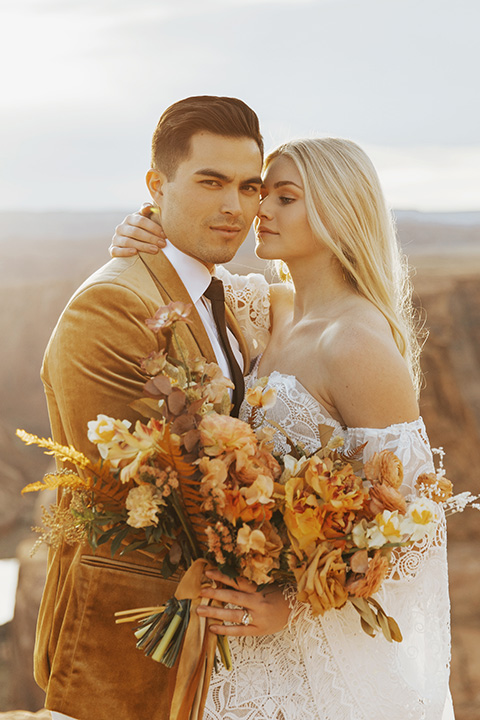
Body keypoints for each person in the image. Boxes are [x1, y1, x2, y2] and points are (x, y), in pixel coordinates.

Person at [110, 137, 454, 719]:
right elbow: (178, 292)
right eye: (262, 192)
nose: (259, 210)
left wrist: (291, 605)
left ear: (339, 212)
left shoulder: (357, 345)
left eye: (284, 197)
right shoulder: (271, 308)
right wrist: (139, 236)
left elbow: (414, 528)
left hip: (309, 654)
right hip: (240, 646)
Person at [36, 95, 271, 720]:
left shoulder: (228, 299)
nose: (234, 207)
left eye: (251, 187)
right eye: (211, 182)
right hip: (128, 652)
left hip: (213, 644)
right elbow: (151, 498)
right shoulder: (111, 307)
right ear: (155, 186)